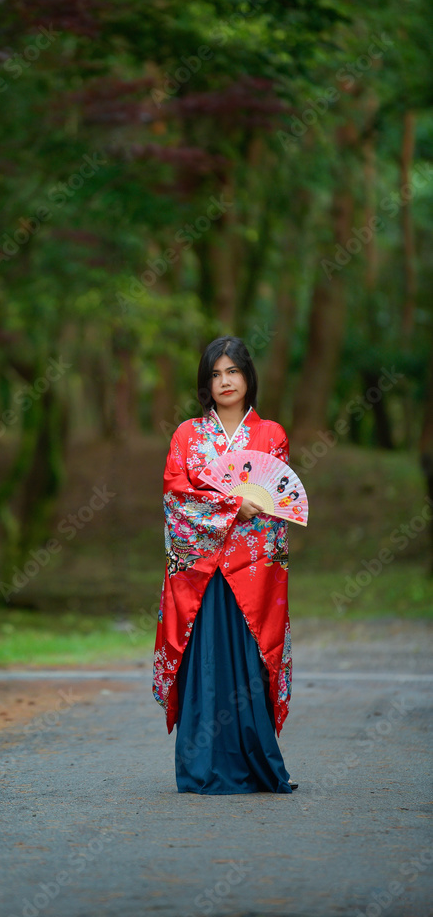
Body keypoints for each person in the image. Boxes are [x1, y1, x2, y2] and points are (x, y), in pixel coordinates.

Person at [152, 335, 296, 794]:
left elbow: (277, 501)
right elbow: (176, 497)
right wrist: (232, 506)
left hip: (253, 569)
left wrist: (252, 508)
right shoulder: (187, 436)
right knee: (206, 664)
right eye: (215, 374)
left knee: (250, 666)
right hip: (203, 570)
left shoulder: (270, 435)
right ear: (205, 383)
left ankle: (255, 763)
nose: (225, 381)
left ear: (248, 377)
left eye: (233, 371)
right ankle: (201, 767)